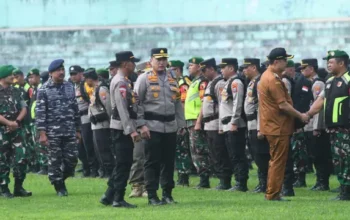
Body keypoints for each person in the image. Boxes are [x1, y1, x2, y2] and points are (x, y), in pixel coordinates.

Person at [134, 48, 186, 205]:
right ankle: (151, 195)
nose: (162, 62)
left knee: (169, 162)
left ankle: (167, 194)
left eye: (164, 59)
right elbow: (137, 103)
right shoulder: (144, 78)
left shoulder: (172, 78)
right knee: (152, 161)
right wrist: (141, 125)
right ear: (151, 61)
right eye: (159, 59)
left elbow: (177, 103)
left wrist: (181, 123)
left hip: (170, 126)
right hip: (152, 126)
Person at [258, 48, 309, 201]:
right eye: (284, 60)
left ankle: (273, 192)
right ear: (276, 61)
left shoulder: (267, 76)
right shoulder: (272, 79)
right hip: (277, 127)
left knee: (275, 160)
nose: (286, 63)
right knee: (278, 162)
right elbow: (283, 105)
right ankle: (273, 194)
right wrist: (301, 115)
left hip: (273, 125)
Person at [100, 51, 144, 208]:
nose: (134, 65)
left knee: (123, 163)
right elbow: (121, 109)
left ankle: (108, 195)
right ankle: (118, 198)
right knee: (123, 164)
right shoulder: (120, 82)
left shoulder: (124, 80)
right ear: (126, 64)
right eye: (132, 62)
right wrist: (131, 130)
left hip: (122, 128)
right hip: (122, 129)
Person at [306, 50, 350, 200]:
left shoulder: (348, 79)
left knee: (347, 159)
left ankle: (347, 191)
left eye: (331, 62)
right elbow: (320, 100)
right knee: (338, 160)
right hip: (333, 129)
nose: (328, 65)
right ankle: (344, 189)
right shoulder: (330, 81)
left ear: (341, 63)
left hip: (346, 128)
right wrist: (308, 115)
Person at [36, 59, 81, 196]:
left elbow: (75, 108)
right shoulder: (43, 89)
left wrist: (78, 129)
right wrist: (42, 134)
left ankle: (60, 179)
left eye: (63, 70)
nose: (61, 72)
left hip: (69, 130)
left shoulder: (69, 86)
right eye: (58, 70)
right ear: (51, 73)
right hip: (52, 132)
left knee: (72, 160)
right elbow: (40, 113)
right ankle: (59, 186)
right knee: (55, 160)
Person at [300, 59, 332, 191]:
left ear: (311, 69)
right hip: (310, 124)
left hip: (315, 125)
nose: (302, 71)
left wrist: (317, 126)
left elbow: (319, 107)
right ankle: (320, 181)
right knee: (314, 154)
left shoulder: (318, 84)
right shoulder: (310, 83)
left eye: (304, 68)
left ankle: (322, 182)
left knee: (320, 155)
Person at [0, 65, 32, 198]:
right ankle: (4, 188)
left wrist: (16, 122)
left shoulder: (17, 91)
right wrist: (8, 123)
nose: (13, 77)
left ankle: (18, 187)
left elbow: (24, 107)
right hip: (2, 131)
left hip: (17, 130)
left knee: (22, 157)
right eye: (10, 75)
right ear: (2, 77)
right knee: (2, 160)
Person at [219, 58, 249, 192]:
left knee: (238, 155)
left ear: (231, 68)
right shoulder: (228, 82)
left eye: (223, 68)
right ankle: (237, 181)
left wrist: (234, 122)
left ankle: (241, 183)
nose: (221, 70)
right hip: (227, 124)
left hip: (234, 125)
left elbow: (238, 103)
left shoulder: (236, 82)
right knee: (232, 155)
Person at [202, 58, 232, 190]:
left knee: (220, 153)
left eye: (204, 70)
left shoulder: (219, 83)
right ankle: (222, 179)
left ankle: (225, 181)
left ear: (211, 69)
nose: (202, 73)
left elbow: (222, 106)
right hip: (209, 124)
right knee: (214, 153)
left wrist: (221, 126)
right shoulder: (211, 83)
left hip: (216, 123)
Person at [243, 58, 270, 193]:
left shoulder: (259, 82)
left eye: (246, 67)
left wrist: (260, 127)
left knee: (261, 155)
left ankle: (265, 183)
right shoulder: (252, 82)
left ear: (254, 67)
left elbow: (261, 106)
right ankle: (262, 182)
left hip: (257, 123)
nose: (243, 70)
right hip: (251, 123)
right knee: (256, 155)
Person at [185, 56, 212, 189]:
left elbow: (204, 103)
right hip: (191, 120)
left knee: (199, 150)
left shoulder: (202, 82)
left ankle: (204, 179)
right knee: (194, 150)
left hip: (196, 120)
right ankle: (202, 177)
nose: (189, 67)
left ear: (199, 67)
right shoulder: (194, 82)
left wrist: (199, 121)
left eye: (191, 65)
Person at [85, 69, 115, 178]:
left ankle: (110, 172)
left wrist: (111, 123)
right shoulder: (95, 89)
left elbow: (108, 107)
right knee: (99, 150)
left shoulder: (102, 89)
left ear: (89, 79)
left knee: (104, 149)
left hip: (102, 124)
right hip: (96, 125)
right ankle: (105, 170)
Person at [69, 65, 98, 177]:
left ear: (81, 73)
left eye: (75, 74)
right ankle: (86, 168)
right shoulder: (72, 86)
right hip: (77, 119)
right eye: (71, 74)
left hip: (86, 117)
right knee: (79, 146)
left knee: (88, 145)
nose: (73, 76)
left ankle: (93, 169)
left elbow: (90, 100)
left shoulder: (85, 85)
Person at [290, 59, 315, 188]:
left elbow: (304, 101)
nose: (301, 70)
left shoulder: (304, 82)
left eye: (303, 68)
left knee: (299, 151)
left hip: (299, 120)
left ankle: (301, 178)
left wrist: (300, 117)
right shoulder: (295, 81)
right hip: (295, 120)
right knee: (295, 151)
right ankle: (297, 176)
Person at [169, 60, 192, 186]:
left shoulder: (182, 83)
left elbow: (182, 105)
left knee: (182, 150)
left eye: (172, 69)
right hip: (174, 121)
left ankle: (183, 177)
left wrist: (181, 123)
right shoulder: (174, 82)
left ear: (178, 70)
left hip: (180, 122)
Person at [27, 68, 48, 175]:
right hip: (34, 120)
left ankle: (45, 167)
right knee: (37, 145)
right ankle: (42, 165)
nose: (30, 80)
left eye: (32, 77)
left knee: (42, 144)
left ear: (38, 77)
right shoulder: (34, 89)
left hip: (40, 121)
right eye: (29, 78)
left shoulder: (41, 88)